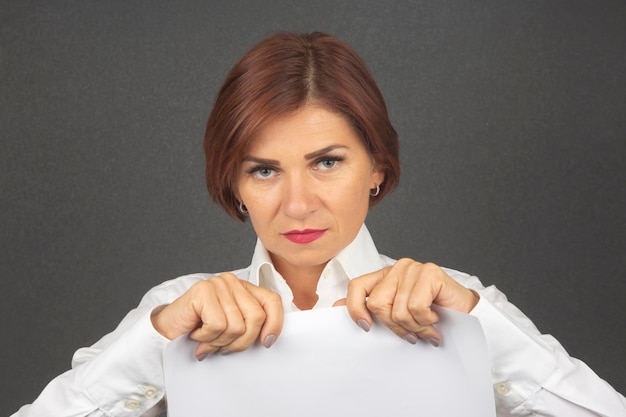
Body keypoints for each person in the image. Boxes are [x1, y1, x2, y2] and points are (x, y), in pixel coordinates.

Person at [12, 31, 625, 417]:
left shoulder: (456, 304)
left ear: (377, 169)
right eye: (264, 170)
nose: (298, 204)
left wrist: (480, 321)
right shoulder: (178, 312)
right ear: (234, 184)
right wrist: (156, 337)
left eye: (326, 162)